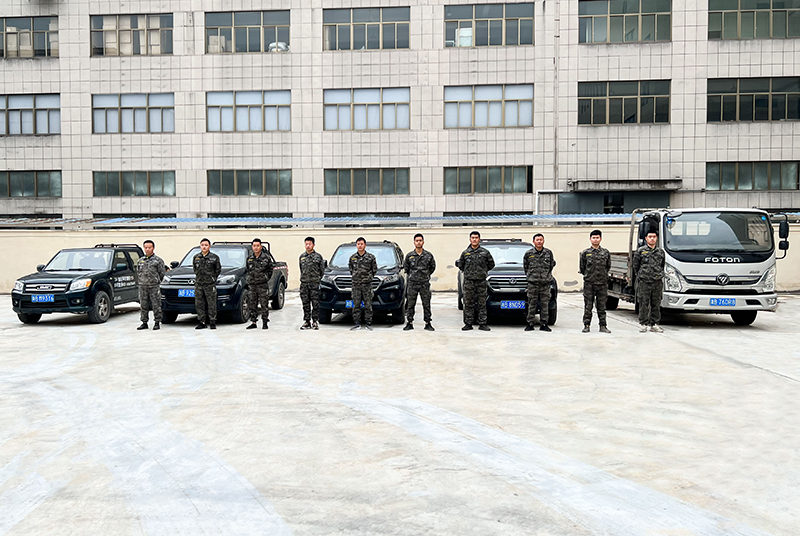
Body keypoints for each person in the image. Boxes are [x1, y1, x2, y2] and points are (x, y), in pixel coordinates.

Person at [456, 231, 495, 331]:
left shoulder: (485, 252)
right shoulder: (465, 253)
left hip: (481, 282)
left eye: (476, 238)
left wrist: (482, 271)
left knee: (482, 303)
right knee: (468, 303)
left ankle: (483, 323)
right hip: (469, 282)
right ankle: (468, 323)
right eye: (473, 238)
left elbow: (491, 264)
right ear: (470, 239)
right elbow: (461, 265)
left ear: (479, 239)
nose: (474, 239)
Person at [632, 229, 666, 333]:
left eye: (654, 237)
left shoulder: (660, 252)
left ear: (656, 238)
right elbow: (636, 266)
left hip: (657, 282)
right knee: (643, 303)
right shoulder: (640, 251)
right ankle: (643, 324)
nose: (652, 239)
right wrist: (642, 276)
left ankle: (654, 324)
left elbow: (662, 265)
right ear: (646, 238)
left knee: (656, 303)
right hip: (644, 282)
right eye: (650, 237)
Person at [579, 229, 612, 333]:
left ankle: (603, 326)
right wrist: (589, 276)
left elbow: (608, 266)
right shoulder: (585, 253)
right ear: (590, 239)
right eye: (593, 238)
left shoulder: (605, 252)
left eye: (597, 237)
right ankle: (586, 325)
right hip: (589, 283)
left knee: (601, 306)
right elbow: (582, 268)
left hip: (602, 284)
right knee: (588, 306)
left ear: (600, 239)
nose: (595, 239)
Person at [403, 233, 436, 331]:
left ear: (423, 242)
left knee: (426, 303)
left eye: (420, 240)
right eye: (417, 241)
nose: (418, 242)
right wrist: (413, 276)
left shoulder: (428, 255)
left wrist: (425, 275)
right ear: (414, 242)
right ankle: (409, 322)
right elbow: (406, 268)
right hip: (412, 284)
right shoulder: (409, 256)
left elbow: (432, 267)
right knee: (410, 304)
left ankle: (428, 323)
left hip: (424, 283)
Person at [523, 233, 556, 332]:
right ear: (533, 241)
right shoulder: (528, 254)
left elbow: (551, 266)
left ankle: (544, 324)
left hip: (545, 284)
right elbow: (526, 267)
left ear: (543, 241)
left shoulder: (548, 253)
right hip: (533, 283)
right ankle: (530, 323)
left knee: (544, 304)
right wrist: (532, 277)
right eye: (537, 240)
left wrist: (545, 276)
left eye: (541, 240)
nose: (539, 242)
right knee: (532, 304)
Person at [136, 239, 166, 331]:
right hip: (143, 286)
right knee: (143, 305)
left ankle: (157, 322)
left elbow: (162, 273)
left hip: (154, 286)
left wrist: (156, 281)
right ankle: (144, 322)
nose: (147, 249)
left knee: (156, 305)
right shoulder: (140, 260)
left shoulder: (158, 260)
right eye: (146, 247)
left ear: (153, 248)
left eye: (149, 247)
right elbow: (138, 272)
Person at [349, 237, 378, 331]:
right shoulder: (352, 258)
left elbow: (374, 270)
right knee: (356, 305)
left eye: (361, 244)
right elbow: (351, 270)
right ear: (356, 245)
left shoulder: (371, 257)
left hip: (367, 285)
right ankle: (357, 323)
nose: (360, 246)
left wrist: (368, 278)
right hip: (356, 285)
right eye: (358, 244)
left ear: (365, 245)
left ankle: (368, 323)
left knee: (368, 305)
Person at [193, 238, 221, 329]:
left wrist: (212, 278)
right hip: (199, 284)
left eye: (206, 245)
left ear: (209, 246)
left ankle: (212, 321)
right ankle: (202, 322)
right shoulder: (196, 257)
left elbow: (217, 270)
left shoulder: (214, 257)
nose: (204, 247)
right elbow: (195, 269)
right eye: (202, 245)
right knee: (199, 304)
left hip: (209, 284)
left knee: (211, 303)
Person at [246, 238, 274, 330]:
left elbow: (270, 270)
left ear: (261, 247)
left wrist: (265, 278)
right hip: (252, 285)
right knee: (252, 304)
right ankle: (253, 322)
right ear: (252, 247)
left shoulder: (266, 258)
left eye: (258, 246)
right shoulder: (250, 258)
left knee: (264, 304)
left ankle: (265, 322)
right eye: (254, 246)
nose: (256, 248)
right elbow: (248, 269)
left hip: (262, 285)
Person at [299, 236, 326, 330]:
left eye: (309, 244)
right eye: (306, 244)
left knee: (315, 304)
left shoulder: (318, 257)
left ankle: (315, 321)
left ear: (313, 245)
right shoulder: (302, 257)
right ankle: (307, 321)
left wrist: (316, 280)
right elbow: (301, 269)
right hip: (304, 284)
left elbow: (322, 270)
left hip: (314, 284)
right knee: (305, 303)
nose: (308, 246)